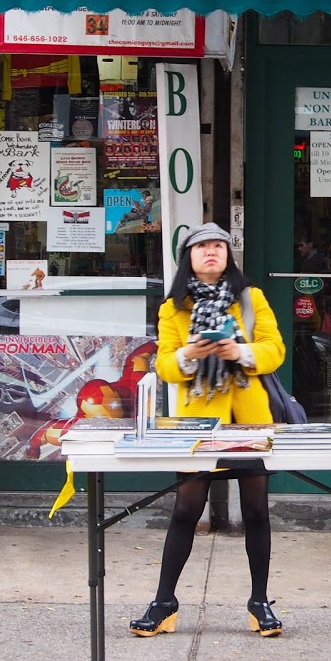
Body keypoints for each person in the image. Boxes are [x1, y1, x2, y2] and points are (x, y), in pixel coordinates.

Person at [131, 223, 288, 638]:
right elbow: (163, 365)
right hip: (199, 422)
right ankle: (164, 603)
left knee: (256, 510)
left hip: (249, 418)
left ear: (228, 254)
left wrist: (240, 351)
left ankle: (260, 603)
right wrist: (189, 353)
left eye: (219, 245)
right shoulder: (173, 308)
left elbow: (275, 350)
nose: (212, 252)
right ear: (189, 257)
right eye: (202, 246)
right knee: (186, 508)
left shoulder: (250, 298)